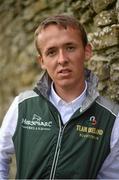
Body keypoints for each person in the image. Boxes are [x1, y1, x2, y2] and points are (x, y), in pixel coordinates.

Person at [0, 14, 119, 179]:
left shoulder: (111, 118)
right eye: (51, 52)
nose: (62, 59)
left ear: (87, 51)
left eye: (70, 47)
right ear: (42, 61)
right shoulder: (23, 106)